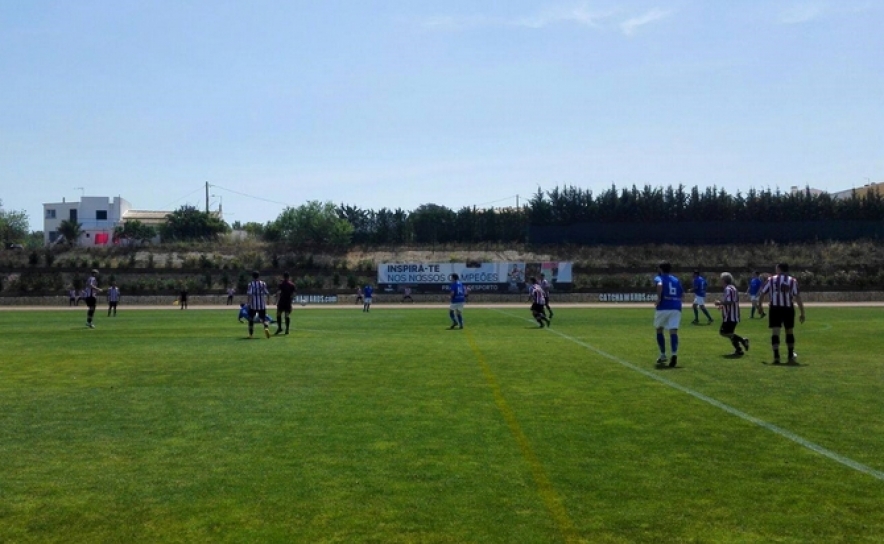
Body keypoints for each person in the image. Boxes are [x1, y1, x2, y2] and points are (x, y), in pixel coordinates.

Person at [758, 263, 806, 364]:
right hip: (788, 308)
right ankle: (790, 356)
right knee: (789, 331)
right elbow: (797, 297)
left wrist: (760, 306)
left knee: (775, 331)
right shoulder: (792, 281)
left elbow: (762, 293)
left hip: (775, 308)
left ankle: (776, 357)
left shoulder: (771, 279)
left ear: (779, 269)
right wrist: (802, 312)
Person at [654, 261, 684, 368]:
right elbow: (681, 293)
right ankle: (674, 354)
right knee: (673, 331)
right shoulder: (676, 279)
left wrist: (659, 298)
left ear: (660, 269)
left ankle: (663, 354)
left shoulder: (659, 277)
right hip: (676, 307)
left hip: (663, 307)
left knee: (659, 329)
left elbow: (660, 284)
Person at [714, 272, 749, 356]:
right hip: (732, 315)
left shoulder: (728, 289)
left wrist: (720, 303)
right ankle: (739, 350)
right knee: (730, 334)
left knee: (723, 332)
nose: (720, 281)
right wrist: (722, 306)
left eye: (721, 279)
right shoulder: (732, 288)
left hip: (730, 316)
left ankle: (743, 340)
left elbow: (730, 301)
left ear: (724, 280)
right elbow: (733, 301)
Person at [246, 270, 271, 338]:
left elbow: (249, 294)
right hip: (262, 304)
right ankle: (266, 328)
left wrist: (248, 303)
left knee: (251, 319)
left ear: (252, 276)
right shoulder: (263, 283)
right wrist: (268, 301)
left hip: (253, 305)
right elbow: (267, 293)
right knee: (263, 318)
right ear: (259, 276)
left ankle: (251, 335)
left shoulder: (250, 284)